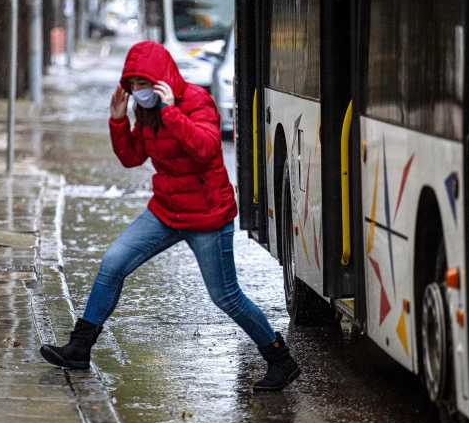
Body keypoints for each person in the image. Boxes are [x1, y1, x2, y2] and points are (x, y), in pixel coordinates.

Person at [40, 41, 300, 391]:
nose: (139, 91)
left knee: (226, 296)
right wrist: (118, 120)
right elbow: (132, 157)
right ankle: (79, 348)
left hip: (207, 215)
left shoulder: (196, 100)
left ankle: (280, 360)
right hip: (166, 210)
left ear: (161, 80)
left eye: (144, 83)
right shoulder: (144, 110)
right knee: (113, 263)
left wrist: (171, 112)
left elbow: (206, 149)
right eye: (133, 84)